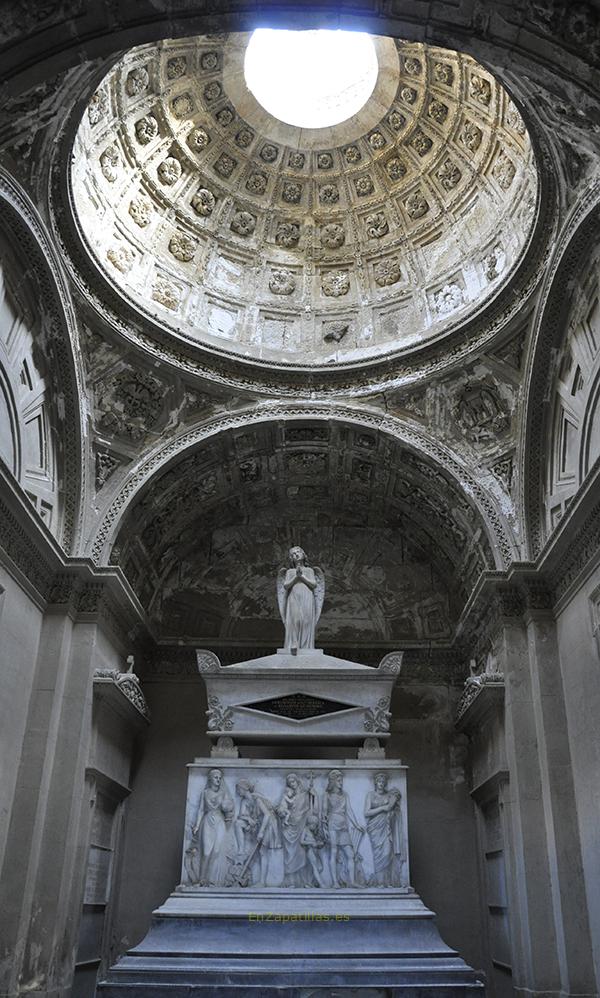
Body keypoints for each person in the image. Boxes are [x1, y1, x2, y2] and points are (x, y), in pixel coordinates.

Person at [191, 768, 234, 886]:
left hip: (219, 821)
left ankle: (212, 880)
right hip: (208, 821)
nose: (218, 780)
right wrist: (197, 825)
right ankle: (202, 879)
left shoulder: (224, 793)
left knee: (217, 850)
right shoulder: (205, 793)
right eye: (216, 777)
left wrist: (227, 807)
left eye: (220, 778)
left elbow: (229, 808)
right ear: (210, 779)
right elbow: (201, 810)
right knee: (206, 851)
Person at [322, 769, 365, 887]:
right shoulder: (327, 795)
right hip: (332, 824)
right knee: (334, 852)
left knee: (350, 854)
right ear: (333, 782)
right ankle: (335, 882)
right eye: (339, 781)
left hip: (343, 825)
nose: (341, 783)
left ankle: (352, 882)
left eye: (341, 780)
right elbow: (324, 812)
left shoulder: (345, 795)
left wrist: (356, 825)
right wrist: (324, 827)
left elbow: (349, 810)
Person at [277, 546, 324, 653]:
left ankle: (305, 646)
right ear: (291, 558)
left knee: (306, 620)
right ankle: (294, 642)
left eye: (298, 552)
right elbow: (286, 586)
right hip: (294, 596)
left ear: (303, 554)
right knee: (295, 619)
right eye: (293, 554)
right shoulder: (290, 572)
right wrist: (296, 577)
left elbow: (313, 584)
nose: (296, 554)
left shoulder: (309, 570)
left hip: (307, 596)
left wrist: (302, 576)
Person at [235, 780, 282, 886]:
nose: (237, 792)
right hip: (259, 824)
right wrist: (249, 819)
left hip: (268, 824)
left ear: (244, 788)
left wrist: (261, 832)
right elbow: (241, 815)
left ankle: (262, 882)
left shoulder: (257, 799)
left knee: (263, 852)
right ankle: (241, 851)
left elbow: (267, 815)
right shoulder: (244, 801)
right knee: (260, 852)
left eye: (238, 789)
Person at [364, 772, 404, 887]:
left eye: (383, 782)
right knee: (378, 855)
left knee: (387, 853)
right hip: (374, 828)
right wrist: (382, 808)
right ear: (375, 783)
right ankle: (380, 883)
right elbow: (366, 812)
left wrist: (393, 807)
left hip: (386, 828)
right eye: (379, 782)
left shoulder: (388, 795)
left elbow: (394, 807)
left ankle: (388, 881)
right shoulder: (370, 795)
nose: (381, 784)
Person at [276, 773, 311, 885]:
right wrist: (282, 813)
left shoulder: (304, 795)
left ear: (297, 781)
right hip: (289, 827)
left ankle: (303, 880)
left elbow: (308, 810)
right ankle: (289, 881)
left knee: (301, 853)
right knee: (289, 854)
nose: (292, 784)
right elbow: (281, 809)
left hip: (300, 826)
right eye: (290, 783)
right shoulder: (288, 795)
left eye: (293, 781)